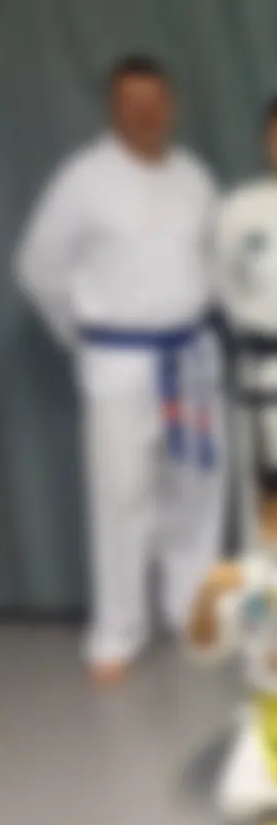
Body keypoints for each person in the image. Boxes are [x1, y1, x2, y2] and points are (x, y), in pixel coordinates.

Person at [15, 55, 224, 685]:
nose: (145, 113)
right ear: (114, 108)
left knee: (196, 489)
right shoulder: (86, 178)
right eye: (132, 102)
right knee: (122, 495)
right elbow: (40, 266)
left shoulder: (192, 176)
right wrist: (85, 337)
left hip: (190, 354)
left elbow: (211, 260)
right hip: (118, 360)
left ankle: (194, 610)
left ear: (171, 107)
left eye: (155, 101)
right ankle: (119, 628)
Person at [186, 472, 277, 825]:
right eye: (269, 516)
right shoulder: (249, 578)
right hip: (266, 711)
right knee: (240, 801)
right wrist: (208, 596)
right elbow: (207, 649)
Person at [213, 98, 277, 554]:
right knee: (260, 507)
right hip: (260, 371)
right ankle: (262, 617)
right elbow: (219, 284)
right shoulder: (242, 210)